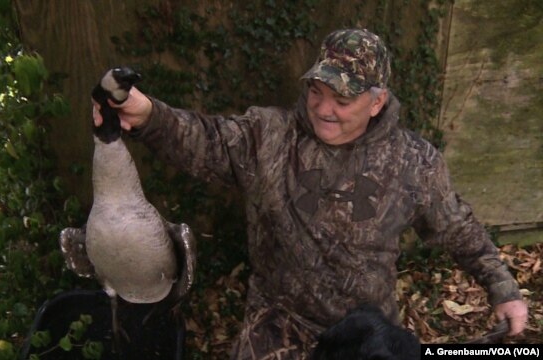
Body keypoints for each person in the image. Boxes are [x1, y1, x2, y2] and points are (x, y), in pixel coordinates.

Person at [92, 29, 528, 359]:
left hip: (364, 332)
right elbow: (204, 140)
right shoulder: (270, 136)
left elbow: (457, 227)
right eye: (317, 91)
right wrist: (148, 115)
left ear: (376, 103)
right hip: (276, 324)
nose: (323, 108)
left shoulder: (414, 162)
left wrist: (502, 287)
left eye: (341, 99)